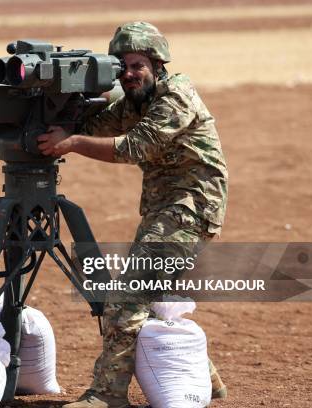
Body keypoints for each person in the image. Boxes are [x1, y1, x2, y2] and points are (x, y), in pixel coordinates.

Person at [38, 22, 228, 408]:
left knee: (127, 297)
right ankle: (205, 379)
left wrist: (70, 143)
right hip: (167, 208)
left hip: (190, 206)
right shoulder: (134, 102)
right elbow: (95, 123)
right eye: (121, 66)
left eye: (137, 65)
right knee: (151, 296)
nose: (128, 74)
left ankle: (106, 395)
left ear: (158, 65)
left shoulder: (176, 96)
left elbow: (134, 147)